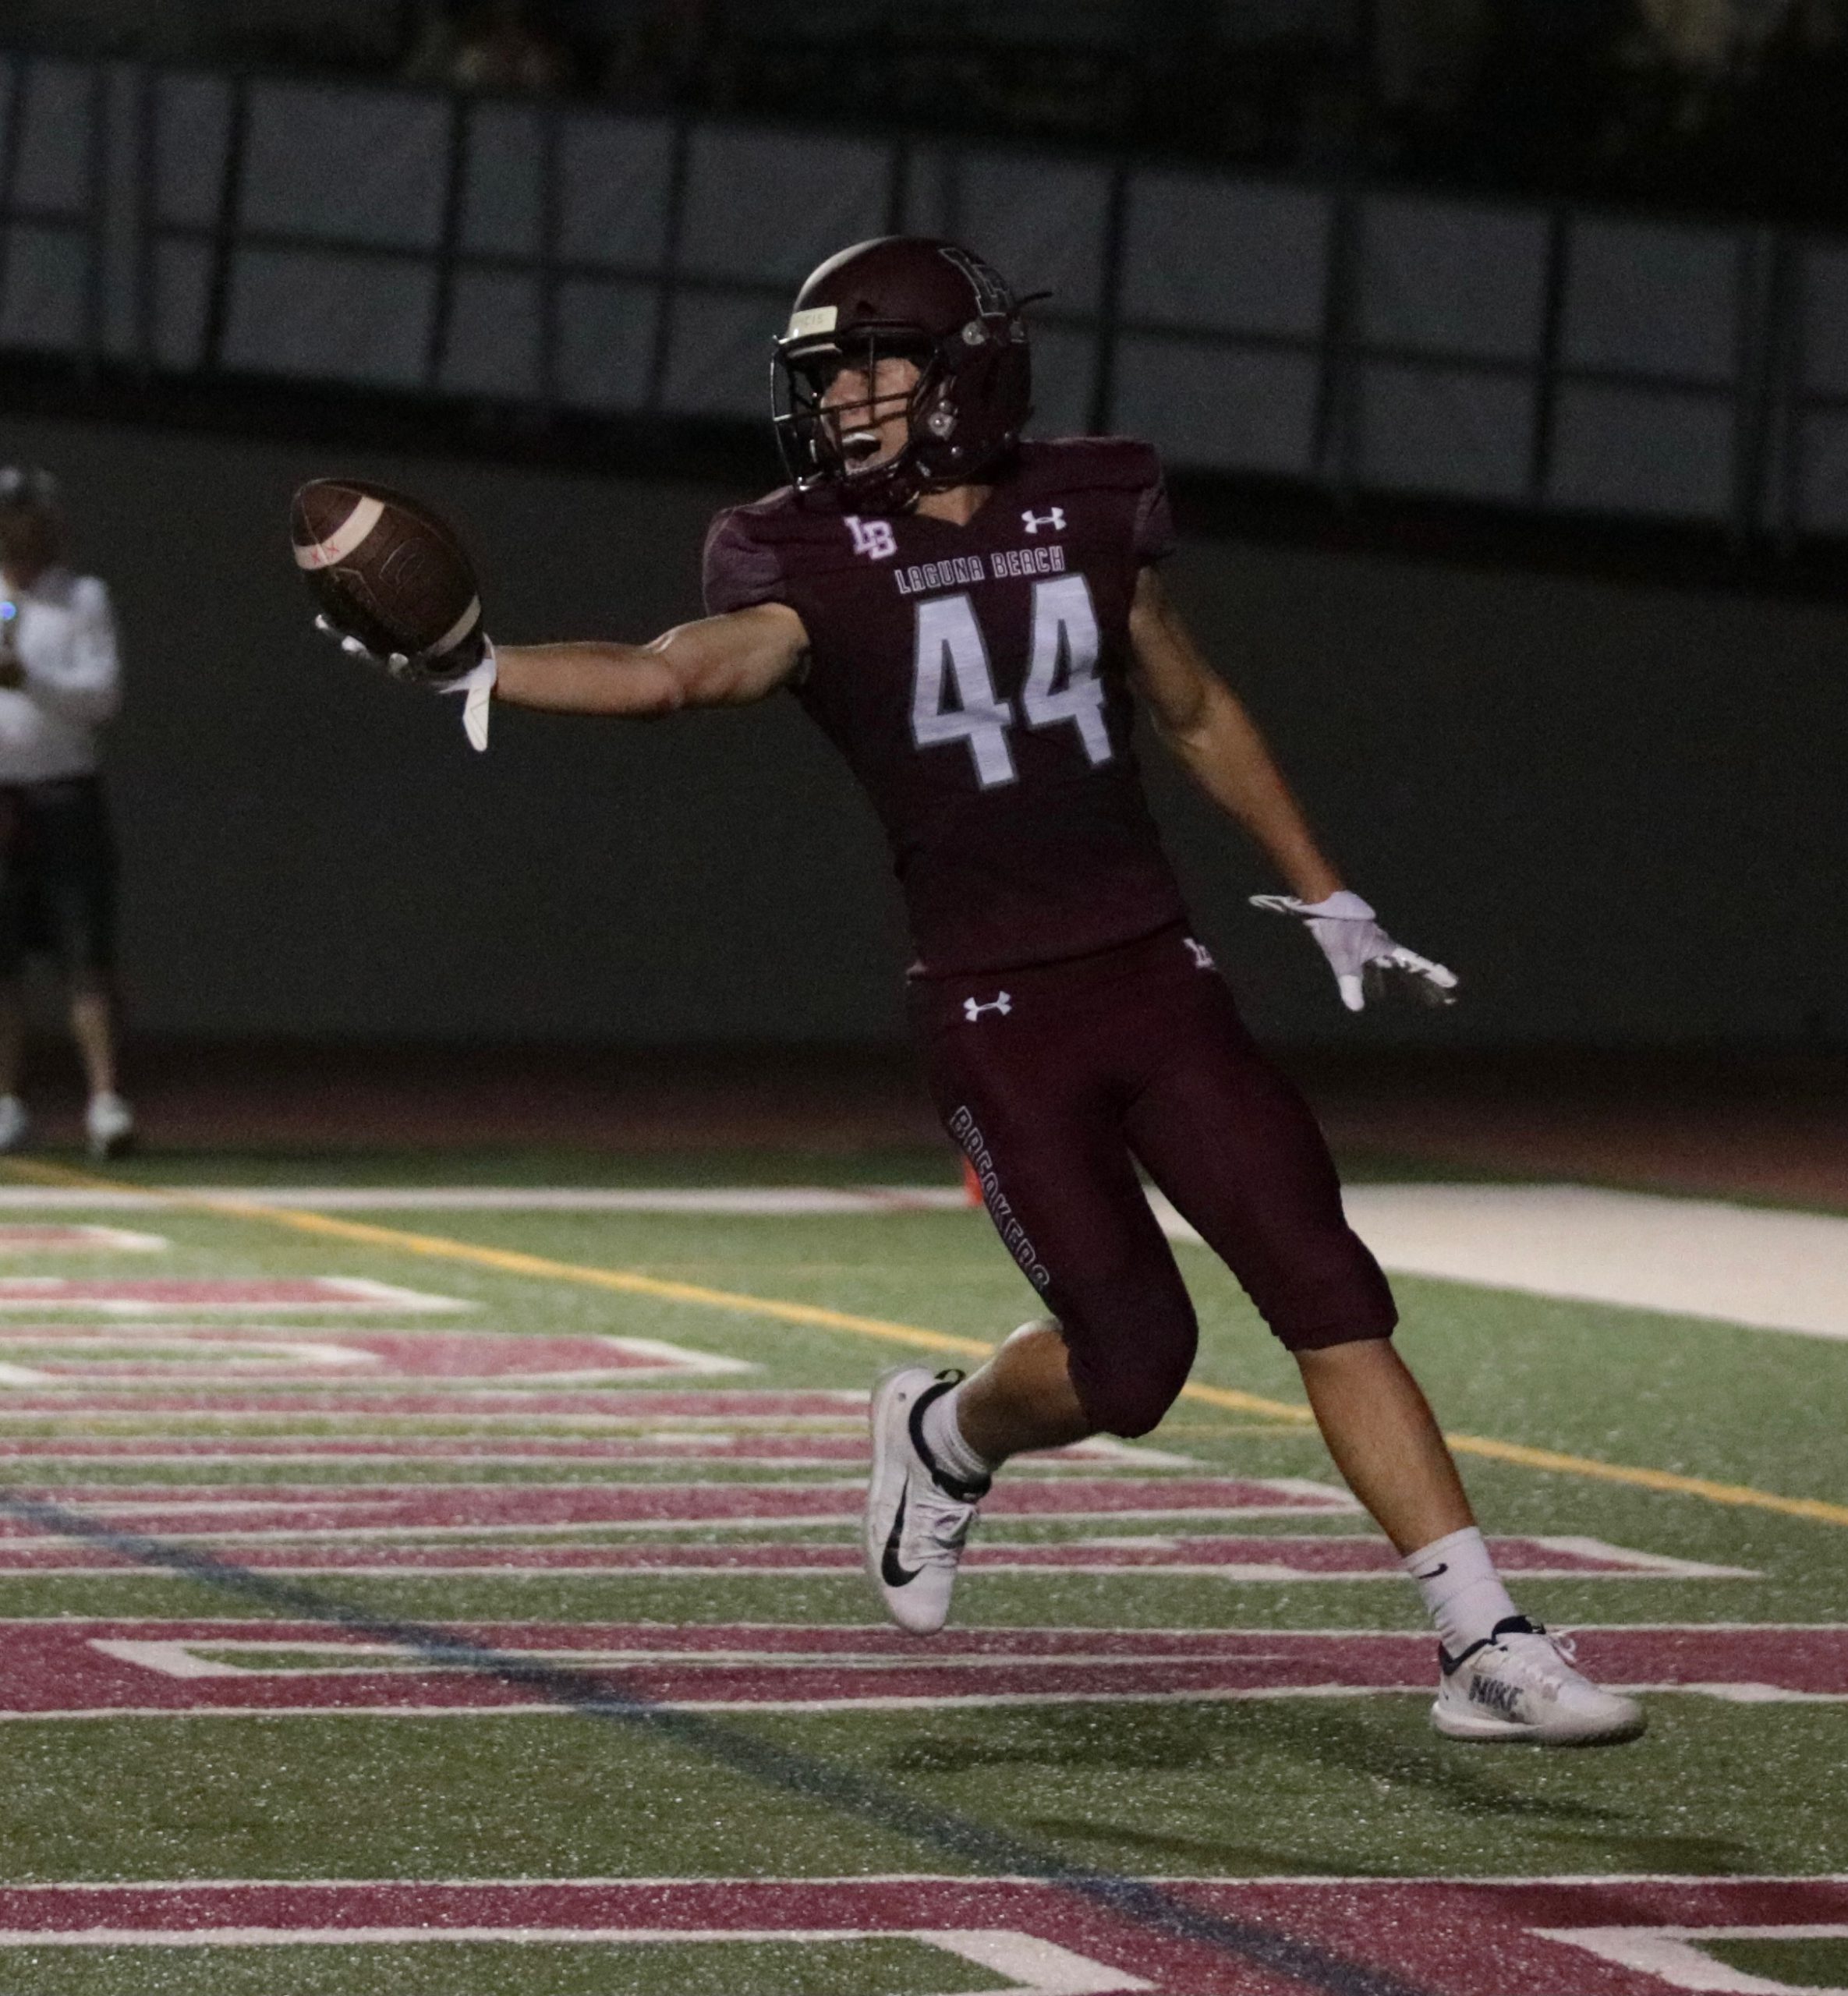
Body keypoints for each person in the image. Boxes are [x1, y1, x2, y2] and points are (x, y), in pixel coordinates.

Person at [319, 237, 1643, 1746]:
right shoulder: (797, 547)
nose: (844, 402)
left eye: (874, 364)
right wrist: (479, 666)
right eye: (824, 377)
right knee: (1134, 1366)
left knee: (1328, 1285)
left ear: (967, 367)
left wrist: (1322, 884)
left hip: (1156, 971)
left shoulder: (1089, 501)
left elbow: (1192, 702)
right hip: (996, 1009)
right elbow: (676, 671)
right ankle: (942, 1430)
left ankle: (1484, 1631)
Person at [0, 468, 133, 1160]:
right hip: (2, 799)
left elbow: (101, 697)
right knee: (3, 963)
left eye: (22, 515)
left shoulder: (81, 598)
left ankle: (106, 1100)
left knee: (86, 954)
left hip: (64, 794)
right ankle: (6, 1103)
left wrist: (31, 682)